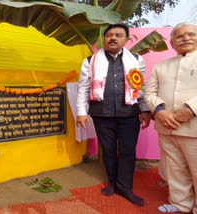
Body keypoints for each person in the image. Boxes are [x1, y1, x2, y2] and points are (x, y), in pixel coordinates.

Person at [76, 23, 151, 206]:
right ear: (104, 39)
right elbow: (83, 88)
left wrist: (146, 109)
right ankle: (112, 183)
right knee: (108, 151)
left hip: (129, 114)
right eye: (109, 35)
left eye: (118, 35)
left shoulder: (136, 59)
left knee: (127, 151)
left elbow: (141, 86)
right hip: (102, 114)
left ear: (126, 39)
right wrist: (81, 112)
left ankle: (125, 187)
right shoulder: (90, 61)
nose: (113, 38)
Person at [145, 22, 197, 214]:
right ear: (172, 42)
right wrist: (159, 111)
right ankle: (180, 204)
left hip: (194, 126)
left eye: (191, 34)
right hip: (166, 126)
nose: (186, 38)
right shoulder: (161, 66)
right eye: (180, 36)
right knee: (174, 169)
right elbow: (149, 93)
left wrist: (191, 110)